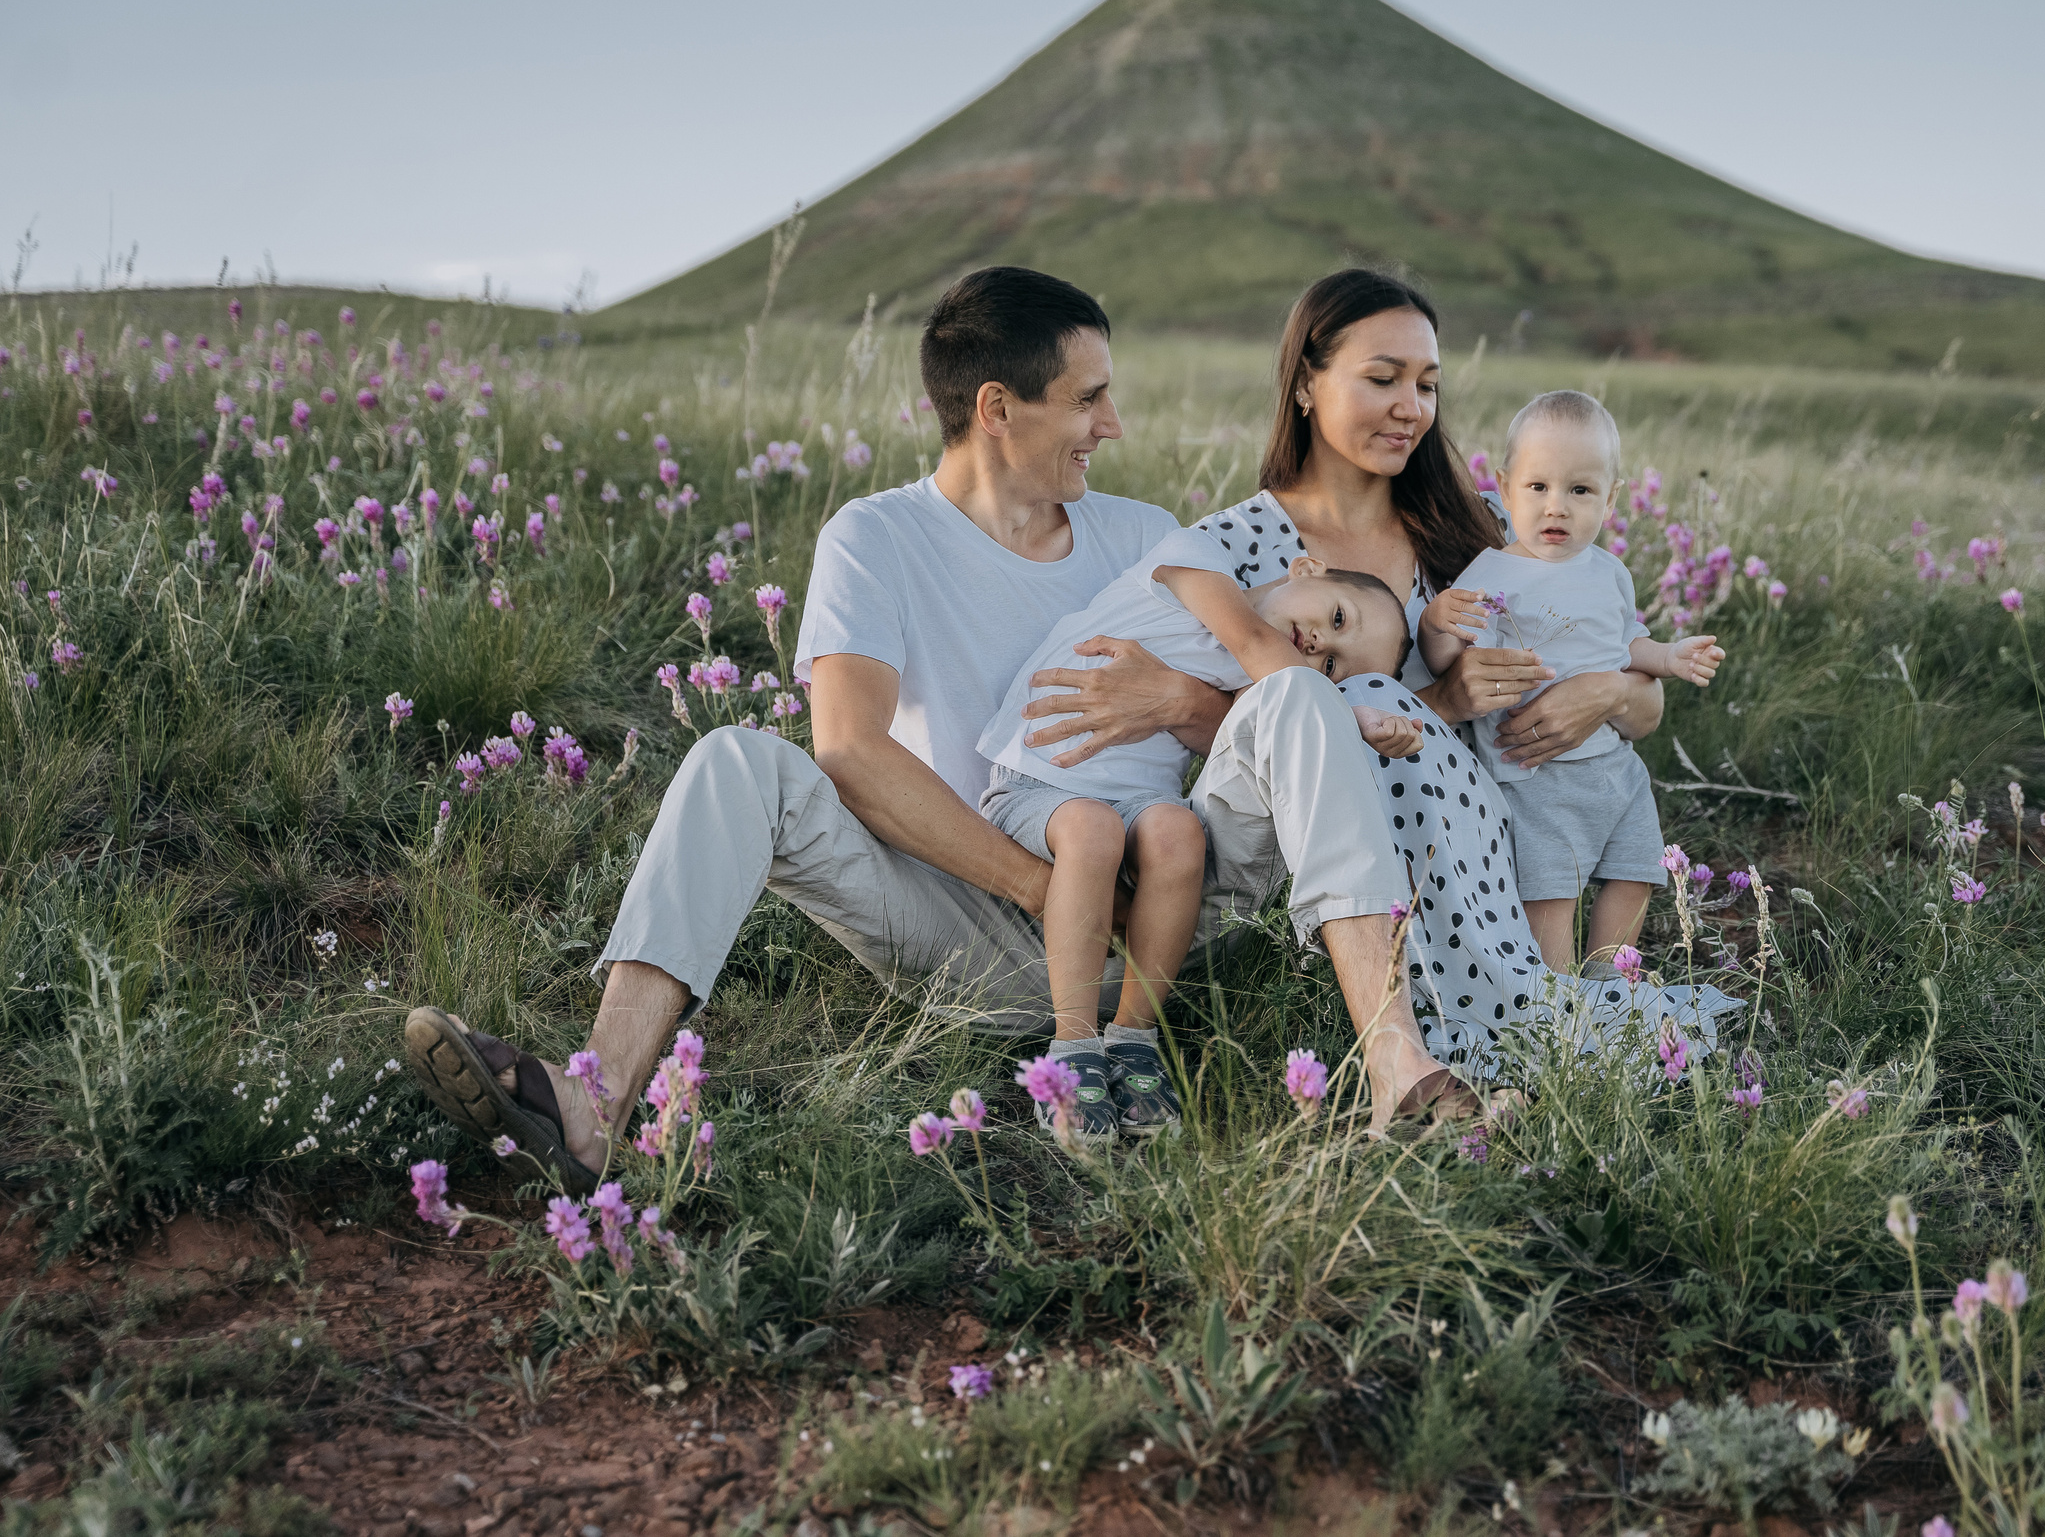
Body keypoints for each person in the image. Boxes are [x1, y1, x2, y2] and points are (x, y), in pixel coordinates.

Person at [404, 266, 1466, 1192]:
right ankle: (592, 1102)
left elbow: (1290, 702)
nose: (1114, 425)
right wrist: (1040, 885)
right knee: (737, 757)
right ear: (998, 409)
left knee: (1290, 700)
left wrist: (1182, 707)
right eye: (1088, 399)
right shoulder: (877, 537)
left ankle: (1392, 1069)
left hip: (1160, 911)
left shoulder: (1144, 536)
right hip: (961, 916)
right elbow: (851, 751)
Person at [1188, 270, 1736, 1083]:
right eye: (1383, 379)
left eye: (1428, 384)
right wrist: (1445, 697)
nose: (1412, 406)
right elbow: (1251, 737)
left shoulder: (1486, 516)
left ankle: (1529, 1004)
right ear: (1305, 381)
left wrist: (1609, 692)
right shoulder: (1239, 547)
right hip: (1337, 867)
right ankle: (1440, 1030)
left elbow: (1644, 703)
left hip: (1503, 821)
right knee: (1363, 700)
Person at [978, 536, 1421, 1148]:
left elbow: (1266, 735)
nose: (1321, 645)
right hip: (1037, 782)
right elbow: (1259, 649)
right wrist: (1348, 711)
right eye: (1338, 617)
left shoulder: (1256, 681)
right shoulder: (1197, 562)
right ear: (1307, 568)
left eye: (1333, 667)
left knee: (1179, 832)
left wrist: (1328, 714)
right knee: (1092, 829)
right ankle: (1072, 1045)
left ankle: (1133, 1038)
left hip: (1135, 805)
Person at [1421, 389, 1724, 975]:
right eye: (1539, 488)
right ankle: (1557, 1002)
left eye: (1579, 490)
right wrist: (1437, 623)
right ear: (1506, 489)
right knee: (1551, 894)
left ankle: (1610, 983)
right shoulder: (1490, 574)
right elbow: (1443, 662)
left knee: (1636, 873)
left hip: (1615, 765)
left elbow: (1625, 644)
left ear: (1609, 500)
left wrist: (1669, 657)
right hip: (1535, 774)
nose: (1556, 507)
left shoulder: (1610, 572)